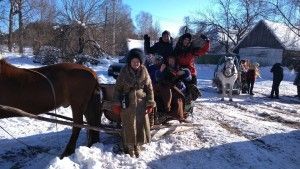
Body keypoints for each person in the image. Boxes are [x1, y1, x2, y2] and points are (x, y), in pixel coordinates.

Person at [112, 48, 156, 158]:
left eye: (138, 62)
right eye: (133, 61)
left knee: (140, 125)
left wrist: (150, 102)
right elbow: (117, 88)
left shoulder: (144, 71)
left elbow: (149, 88)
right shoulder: (124, 71)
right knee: (129, 125)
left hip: (141, 102)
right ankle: (130, 147)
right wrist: (117, 103)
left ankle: (139, 145)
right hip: (127, 102)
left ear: (141, 62)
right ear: (130, 62)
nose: (135, 64)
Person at [156, 55, 191, 123]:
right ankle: (162, 114)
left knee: (176, 96)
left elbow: (189, 78)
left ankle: (176, 115)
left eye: (172, 60)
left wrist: (185, 72)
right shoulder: (164, 68)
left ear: (175, 61)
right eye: (169, 60)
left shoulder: (180, 68)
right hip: (166, 86)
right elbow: (157, 78)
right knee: (160, 94)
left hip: (178, 87)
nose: (171, 62)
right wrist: (160, 71)